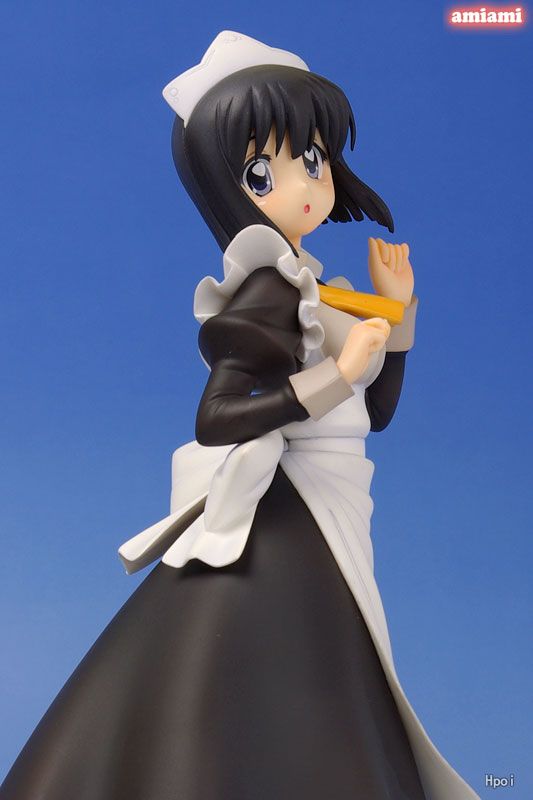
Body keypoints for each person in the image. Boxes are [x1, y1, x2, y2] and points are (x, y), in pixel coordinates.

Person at [0, 31, 479, 800]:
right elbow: (218, 417)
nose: (305, 187)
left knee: (309, 670)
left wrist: (397, 318)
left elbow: (376, 416)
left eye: (313, 159)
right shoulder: (263, 292)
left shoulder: (312, 288)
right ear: (227, 188)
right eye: (264, 172)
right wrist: (334, 374)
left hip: (328, 512)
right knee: (272, 672)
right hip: (290, 516)